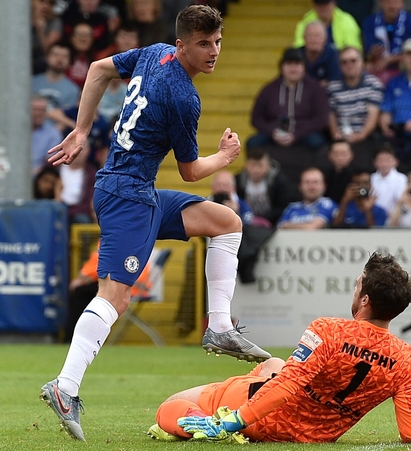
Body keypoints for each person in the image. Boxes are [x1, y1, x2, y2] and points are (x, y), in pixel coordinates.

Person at [40, 6, 272, 442]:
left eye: (218, 41)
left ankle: (219, 328)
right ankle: (64, 386)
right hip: (128, 196)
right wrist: (223, 158)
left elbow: (97, 69)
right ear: (183, 44)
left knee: (226, 222)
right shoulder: (183, 96)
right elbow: (189, 171)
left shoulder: (155, 53)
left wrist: (82, 129)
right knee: (115, 298)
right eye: (204, 44)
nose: (214, 51)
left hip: (133, 190)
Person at [149, 253, 411, 445]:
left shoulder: (329, 330)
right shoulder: (407, 358)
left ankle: (213, 425)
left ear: (365, 300)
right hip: (318, 434)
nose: (354, 289)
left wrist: (236, 421)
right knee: (272, 363)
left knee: (170, 407)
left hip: (264, 420)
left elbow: (287, 385)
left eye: (357, 285)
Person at [65, 242, 152, 343]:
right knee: (90, 294)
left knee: (80, 293)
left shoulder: (112, 236)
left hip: (124, 286)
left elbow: (99, 263)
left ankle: (74, 338)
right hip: (137, 287)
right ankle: (92, 337)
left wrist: (82, 279)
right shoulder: (139, 238)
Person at [248, 47, 330, 151]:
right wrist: (272, 132)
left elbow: (321, 119)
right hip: (274, 133)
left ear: (304, 67)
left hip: (305, 133)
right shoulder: (268, 90)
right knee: (253, 143)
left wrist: (297, 134)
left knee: (317, 142)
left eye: (297, 64)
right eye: (289, 64)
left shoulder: (316, 89)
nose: (293, 68)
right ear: (281, 67)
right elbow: (256, 119)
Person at [327, 46, 384, 146]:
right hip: (341, 137)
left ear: (362, 62)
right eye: (344, 62)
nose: (349, 65)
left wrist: (361, 135)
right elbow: (330, 115)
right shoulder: (332, 87)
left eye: (353, 61)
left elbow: (373, 116)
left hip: (366, 137)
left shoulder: (374, 84)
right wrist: (335, 134)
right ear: (339, 66)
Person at [234, 147, 295, 228]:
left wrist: (265, 218)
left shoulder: (278, 181)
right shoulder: (238, 180)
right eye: (252, 165)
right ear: (246, 165)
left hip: (272, 223)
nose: (256, 170)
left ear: (268, 165)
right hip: (244, 221)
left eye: (260, 165)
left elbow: (283, 205)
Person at [362, 0, 411, 75]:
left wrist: (390, 59)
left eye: (395, 2)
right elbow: (367, 54)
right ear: (381, 3)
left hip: (402, 66)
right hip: (378, 66)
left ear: (402, 3)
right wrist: (372, 53)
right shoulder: (370, 22)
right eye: (388, 2)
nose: (392, 6)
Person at [294, 0, 362, 51]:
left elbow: (353, 48)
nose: (323, 8)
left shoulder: (347, 21)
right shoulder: (305, 22)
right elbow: (299, 48)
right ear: (314, 5)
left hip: (340, 63)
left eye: (326, 4)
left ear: (334, 4)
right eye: (319, 4)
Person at [32, 43, 81, 112]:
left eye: (64, 56)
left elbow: (66, 115)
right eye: (55, 55)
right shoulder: (32, 82)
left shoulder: (73, 89)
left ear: (70, 61)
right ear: (47, 57)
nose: (60, 59)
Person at [300, 21, 342, 86]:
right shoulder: (297, 55)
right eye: (310, 36)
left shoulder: (333, 54)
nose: (313, 39)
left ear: (325, 39)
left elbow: (335, 81)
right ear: (304, 38)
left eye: (317, 36)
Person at [31, 95, 64, 174]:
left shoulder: (53, 134)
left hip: (38, 178)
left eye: (42, 110)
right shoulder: (15, 131)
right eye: (35, 110)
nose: (39, 114)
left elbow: (49, 163)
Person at [371, 145, 408, 214]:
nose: (384, 164)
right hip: (374, 217)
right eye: (380, 160)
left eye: (388, 160)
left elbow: (401, 201)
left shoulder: (401, 179)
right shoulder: (371, 178)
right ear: (375, 162)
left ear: (395, 161)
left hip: (394, 218)